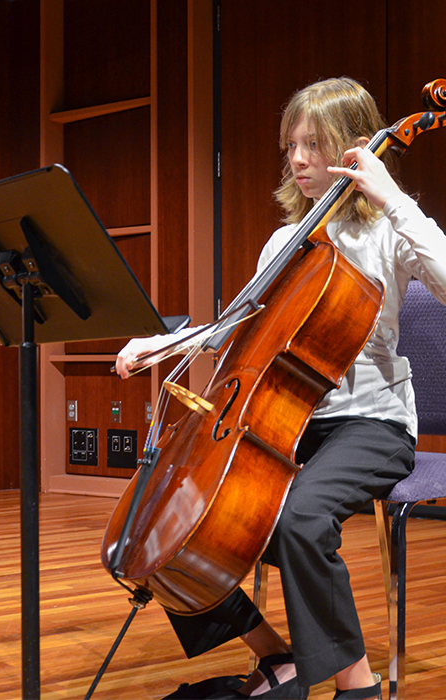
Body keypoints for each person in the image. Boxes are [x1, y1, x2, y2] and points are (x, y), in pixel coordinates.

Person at [116, 77, 446, 700]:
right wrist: (159, 345)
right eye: (290, 145)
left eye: (313, 146)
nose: (297, 160)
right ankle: (276, 658)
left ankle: (358, 687)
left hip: (370, 425)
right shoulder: (284, 240)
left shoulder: (387, 231)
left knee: (299, 520)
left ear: (354, 150)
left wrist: (395, 198)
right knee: (171, 518)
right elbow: (236, 324)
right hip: (286, 422)